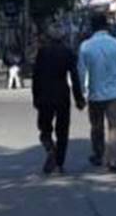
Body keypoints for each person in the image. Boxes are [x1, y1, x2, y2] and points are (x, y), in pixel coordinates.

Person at [77, 12, 116, 173]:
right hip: (115, 94)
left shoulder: (85, 46)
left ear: (92, 27)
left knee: (96, 127)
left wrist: (81, 91)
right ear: (106, 26)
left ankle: (98, 154)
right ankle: (113, 161)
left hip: (95, 94)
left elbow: (81, 72)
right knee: (114, 127)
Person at [32, 25, 86, 175]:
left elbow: (36, 77)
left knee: (44, 127)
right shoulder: (67, 52)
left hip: (44, 94)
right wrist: (79, 98)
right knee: (63, 130)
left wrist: (35, 97)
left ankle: (50, 147)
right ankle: (59, 163)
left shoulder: (42, 52)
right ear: (62, 38)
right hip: (62, 94)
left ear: (49, 38)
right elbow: (75, 78)